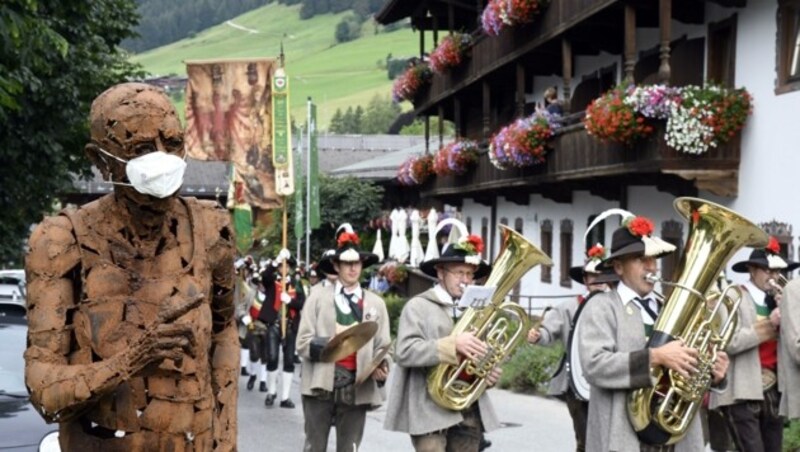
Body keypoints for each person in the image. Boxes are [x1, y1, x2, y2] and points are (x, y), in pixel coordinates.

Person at [24, 82, 238, 450]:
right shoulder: (62, 240)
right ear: (101, 159)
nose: (163, 159)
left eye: (172, 144)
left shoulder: (210, 229)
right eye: (140, 149)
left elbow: (224, 333)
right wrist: (131, 359)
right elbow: (43, 389)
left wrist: (226, 438)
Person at [578, 213, 729, 452]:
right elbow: (594, 366)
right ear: (618, 267)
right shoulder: (602, 307)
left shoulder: (670, 309)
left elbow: (685, 374)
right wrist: (655, 357)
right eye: (640, 259)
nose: (650, 267)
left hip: (673, 436)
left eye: (653, 259)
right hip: (623, 435)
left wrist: (713, 374)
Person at [384, 226, 501, 452]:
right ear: (440, 272)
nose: (466, 280)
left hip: (468, 409)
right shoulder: (418, 306)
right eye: (459, 273)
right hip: (428, 410)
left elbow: (482, 353)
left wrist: (489, 370)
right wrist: (452, 345)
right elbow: (405, 351)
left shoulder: (476, 309)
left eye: (470, 274)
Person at [296, 229, 391, 451]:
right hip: (320, 384)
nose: (352, 268)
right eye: (347, 263)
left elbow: (385, 347)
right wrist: (333, 342)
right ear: (336, 265)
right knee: (314, 447)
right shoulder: (317, 298)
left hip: (356, 387)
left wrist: (382, 366)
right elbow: (302, 342)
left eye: (357, 263)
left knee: (350, 448)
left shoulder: (376, 304)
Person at [527, 243, 618, 452]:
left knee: (610, 438)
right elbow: (550, 331)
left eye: (602, 276)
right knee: (585, 439)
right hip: (576, 382)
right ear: (585, 281)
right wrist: (538, 335)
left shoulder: (618, 307)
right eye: (592, 277)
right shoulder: (569, 307)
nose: (598, 281)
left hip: (608, 381)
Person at [712, 237, 798, 452]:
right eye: (767, 271)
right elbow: (726, 341)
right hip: (741, 389)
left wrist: (790, 314)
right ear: (751, 270)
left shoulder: (780, 298)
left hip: (774, 389)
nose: (774, 277)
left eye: (778, 271)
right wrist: (770, 324)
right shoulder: (733, 295)